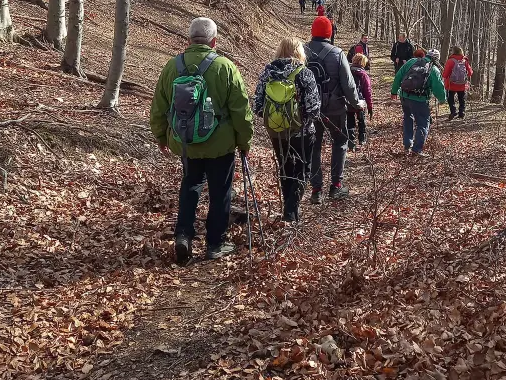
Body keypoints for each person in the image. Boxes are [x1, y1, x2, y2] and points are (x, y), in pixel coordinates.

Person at [150, 17, 254, 264]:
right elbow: (241, 109)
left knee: (190, 185)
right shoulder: (225, 67)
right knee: (220, 191)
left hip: (186, 142)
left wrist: (161, 136)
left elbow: (159, 106)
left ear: (189, 40)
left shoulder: (172, 66)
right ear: (214, 41)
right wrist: (244, 141)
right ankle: (215, 244)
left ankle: (183, 235)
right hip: (221, 146)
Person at [253, 38, 320, 223]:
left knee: (286, 167)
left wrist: (274, 120)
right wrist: (304, 121)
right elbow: (314, 108)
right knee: (303, 168)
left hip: (276, 132)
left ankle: (290, 210)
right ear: (300, 52)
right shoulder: (304, 73)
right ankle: (291, 211)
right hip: (302, 131)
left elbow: (257, 105)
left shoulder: (268, 72)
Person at [305, 15, 364, 202]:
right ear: (329, 33)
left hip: (310, 110)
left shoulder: (302, 51)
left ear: (312, 32)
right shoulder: (337, 53)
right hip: (335, 109)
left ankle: (316, 190)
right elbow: (348, 84)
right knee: (340, 142)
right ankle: (336, 186)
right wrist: (357, 103)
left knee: (313, 146)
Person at [390, 47, 446, 155]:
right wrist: (442, 99)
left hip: (404, 96)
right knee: (423, 123)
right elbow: (438, 86)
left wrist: (394, 91)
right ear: (436, 59)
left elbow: (398, 75)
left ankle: (407, 144)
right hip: (420, 99)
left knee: (408, 118)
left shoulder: (411, 62)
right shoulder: (433, 69)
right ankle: (416, 150)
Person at [348, 54, 372, 150]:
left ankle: (351, 142)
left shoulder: (347, 71)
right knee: (361, 120)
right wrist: (370, 106)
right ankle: (362, 140)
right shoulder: (363, 74)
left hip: (348, 100)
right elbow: (367, 91)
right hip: (360, 100)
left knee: (350, 122)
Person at [443, 46, 473, 120]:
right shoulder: (464, 61)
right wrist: (465, 76)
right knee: (462, 99)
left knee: (450, 99)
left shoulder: (450, 61)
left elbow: (445, 74)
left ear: (453, 52)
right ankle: (462, 113)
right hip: (462, 84)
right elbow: (470, 72)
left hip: (451, 84)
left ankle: (453, 111)